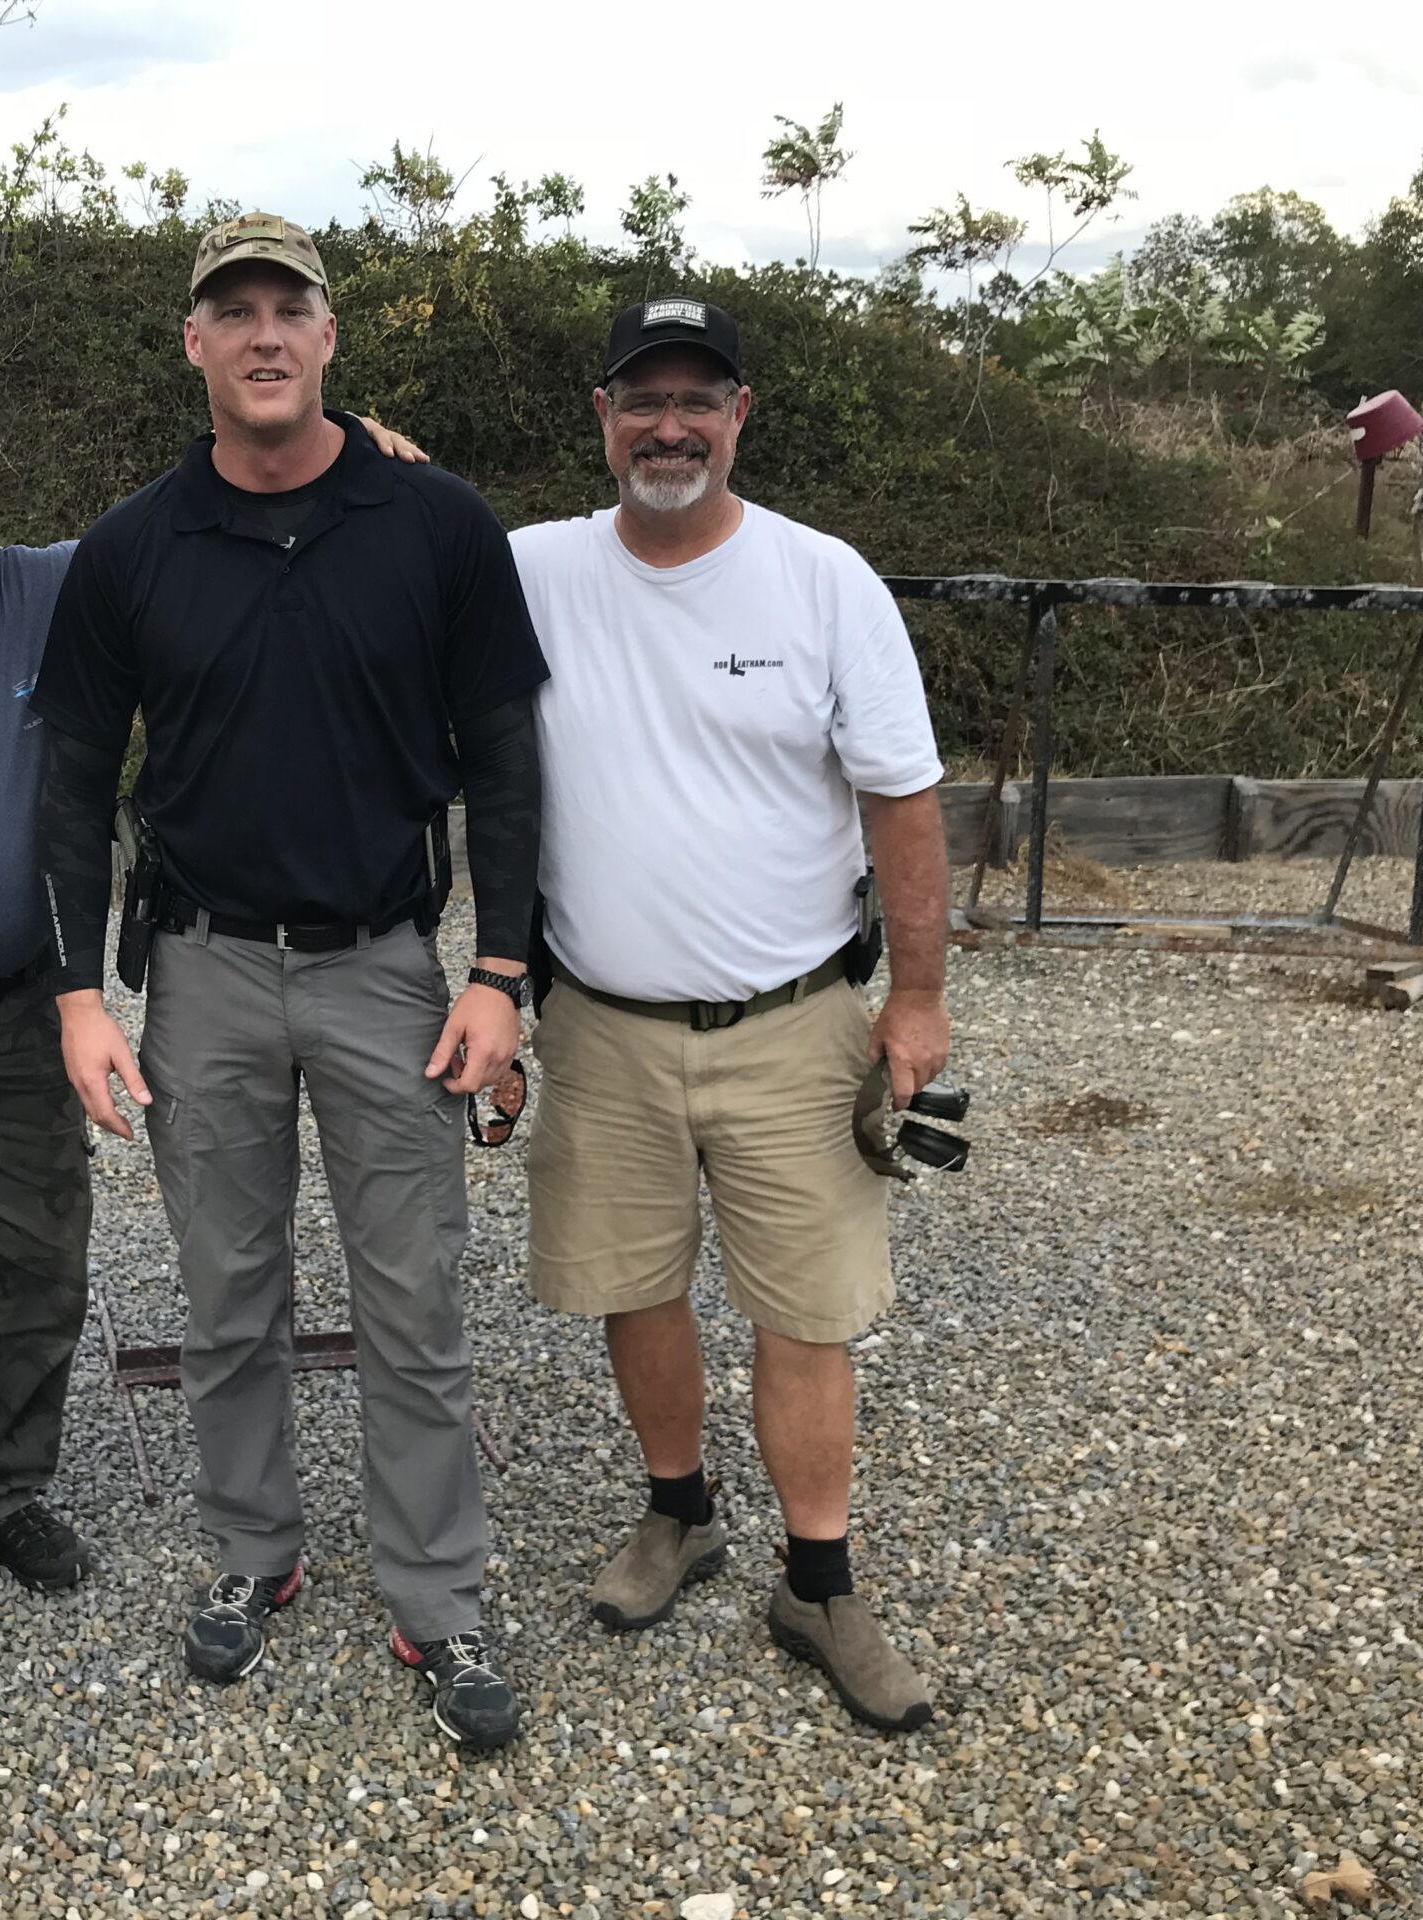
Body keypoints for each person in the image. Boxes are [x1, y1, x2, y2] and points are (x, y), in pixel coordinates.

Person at [0, 389, 432, 1663]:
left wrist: (338, 465)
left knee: (33, 1278)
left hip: (26, 1017)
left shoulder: (65, 588)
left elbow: (204, 503)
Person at [31, 212, 547, 1750]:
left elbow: (507, 758)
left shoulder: (435, 524)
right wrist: (75, 993)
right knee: (228, 1297)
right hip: (201, 975)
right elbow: (68, 776)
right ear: (193, 344)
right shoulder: (134, 548)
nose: (263, 335)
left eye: (289, 309)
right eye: (231, 312)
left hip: (390, 971)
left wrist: (503, 969)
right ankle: (257, 1554)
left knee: (414, 1296)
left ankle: (439, 1596)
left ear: (331, 338)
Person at [512, 297, 951, 1733]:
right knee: (632, 1283)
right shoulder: (532, 571)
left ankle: (818, 1581)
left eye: (699, 399)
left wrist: (921, 1000)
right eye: (644, 400)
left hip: (794, 1019)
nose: (670, 426)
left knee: (806, 1310)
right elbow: (386, 528)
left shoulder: (825, 584)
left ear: (742, 414)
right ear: (603, 417)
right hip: (603, 1025)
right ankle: (679, 1513)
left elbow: (903, 797)